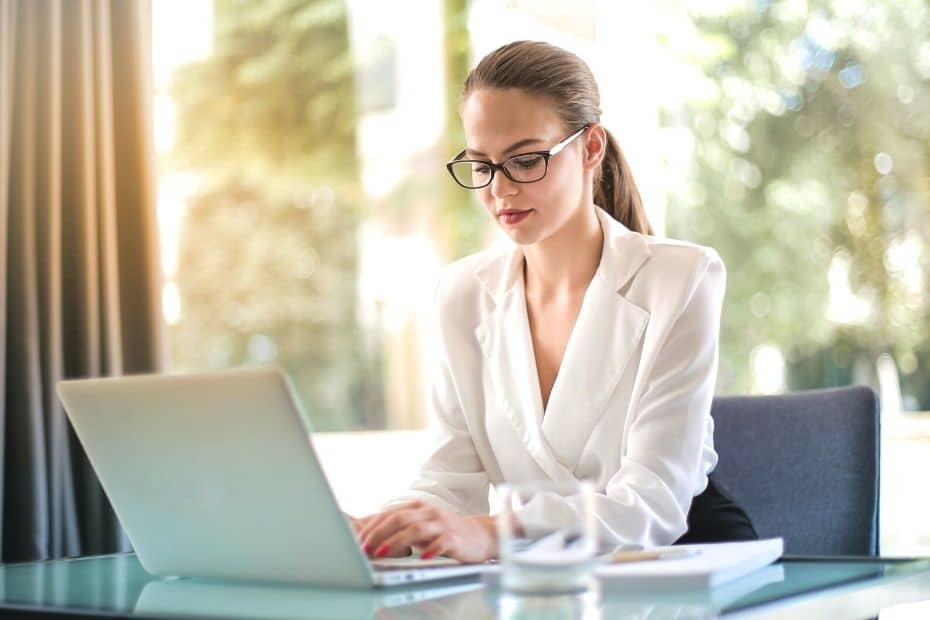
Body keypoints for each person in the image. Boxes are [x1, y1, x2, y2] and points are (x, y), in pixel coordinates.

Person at [353, 40, 757, 563]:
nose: (499, 189)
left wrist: (495, 534)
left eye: (525, 160)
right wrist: (378, 530)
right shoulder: (461, 295)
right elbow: (448, 481)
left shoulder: (681, 278)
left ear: (591, 148)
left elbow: (651, 506)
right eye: (482, 164)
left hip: (681, 562)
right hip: (547, 575)